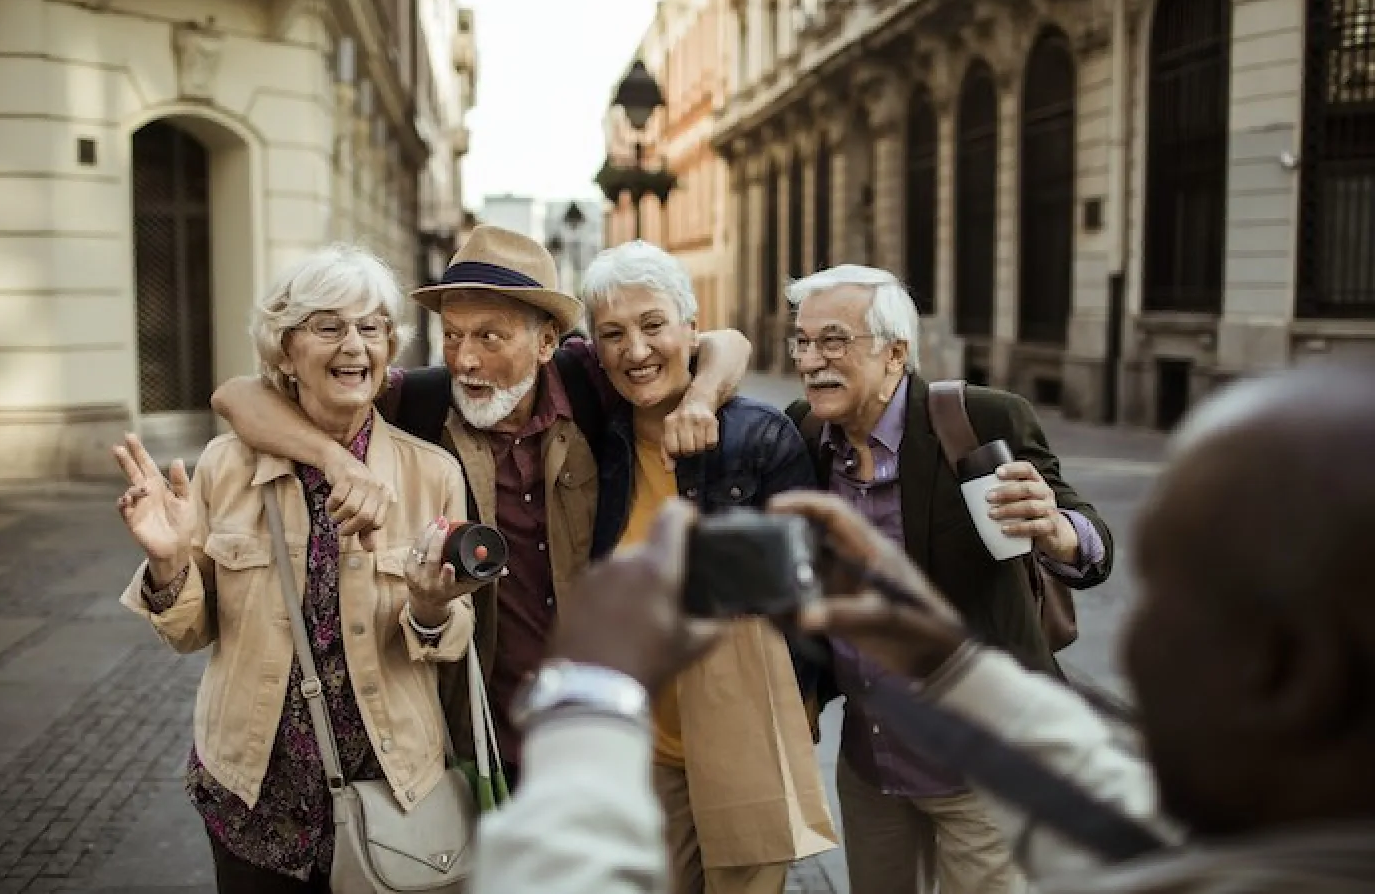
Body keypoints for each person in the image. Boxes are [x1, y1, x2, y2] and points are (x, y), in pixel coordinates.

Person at [472, 361, 1375, 894]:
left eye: (1172, 599)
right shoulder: (1253, 853)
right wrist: (945, 657)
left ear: (1291, 673)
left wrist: (590, 694)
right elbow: (1100, 797)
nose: (1129, 642)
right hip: (882, 760)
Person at [210, 225, 752, 786]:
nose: (464, 360)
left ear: (546, 344)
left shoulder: (590, 382)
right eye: (454, 335)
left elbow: (724, 343)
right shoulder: (417, 400)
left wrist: (703, 398)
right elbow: (237, 396)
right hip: (477, 735)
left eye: (491, 338)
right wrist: (336, 459)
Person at [114, 244, 480, 893]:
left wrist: (429, 608)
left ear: (389, 348)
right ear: (285, 350)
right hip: (251, 796)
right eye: (328, 326)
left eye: (370, 328)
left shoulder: (433, 474)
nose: (354, 345)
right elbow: (190, 632)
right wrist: (169, 562)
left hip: (390, 794)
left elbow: (451, 638)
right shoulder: (226, 468)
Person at [783, 265, 1115, 894]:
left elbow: (1090, 541)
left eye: (833, 340)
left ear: (895, 353)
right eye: (800, 341)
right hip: (872, 760)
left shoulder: (980, 420)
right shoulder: (804, 432)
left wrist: (1056, 528)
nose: (809, 360)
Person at [581, 241, 837, 894]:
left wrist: (796, 702)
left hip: (744, 727)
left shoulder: (756, 437)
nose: (635, 350)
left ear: (690, 329)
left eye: (653, 325)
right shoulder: (595, 434)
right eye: (612, 334)